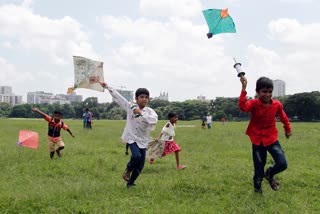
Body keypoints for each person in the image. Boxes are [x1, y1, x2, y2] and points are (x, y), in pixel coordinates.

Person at [238, 76, 292, 193]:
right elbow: (243, 107)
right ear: (257, 92)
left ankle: (269, 173)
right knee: (258, 169)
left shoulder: (276, 105)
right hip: (257, 141)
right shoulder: (253, 104)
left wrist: (287, 129)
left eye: (270, 92)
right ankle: (258, 191)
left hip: (272, 139)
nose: (267, 94)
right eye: (264, 92)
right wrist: (243, 88)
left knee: (283, 163)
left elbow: (283, 117)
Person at [100, 81, 158, 188]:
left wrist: (140, 113)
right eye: (141, 97)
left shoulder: (150, 112)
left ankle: (130, 183)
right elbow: (119, 97)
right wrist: (107, 86)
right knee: (136, 156)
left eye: (146, 97)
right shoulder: (130, 106)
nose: (144, 99)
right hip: (131, 137)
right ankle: (128, 169)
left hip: (143, 140)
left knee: (140, 165)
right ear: (136, 98)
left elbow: (153, 120)